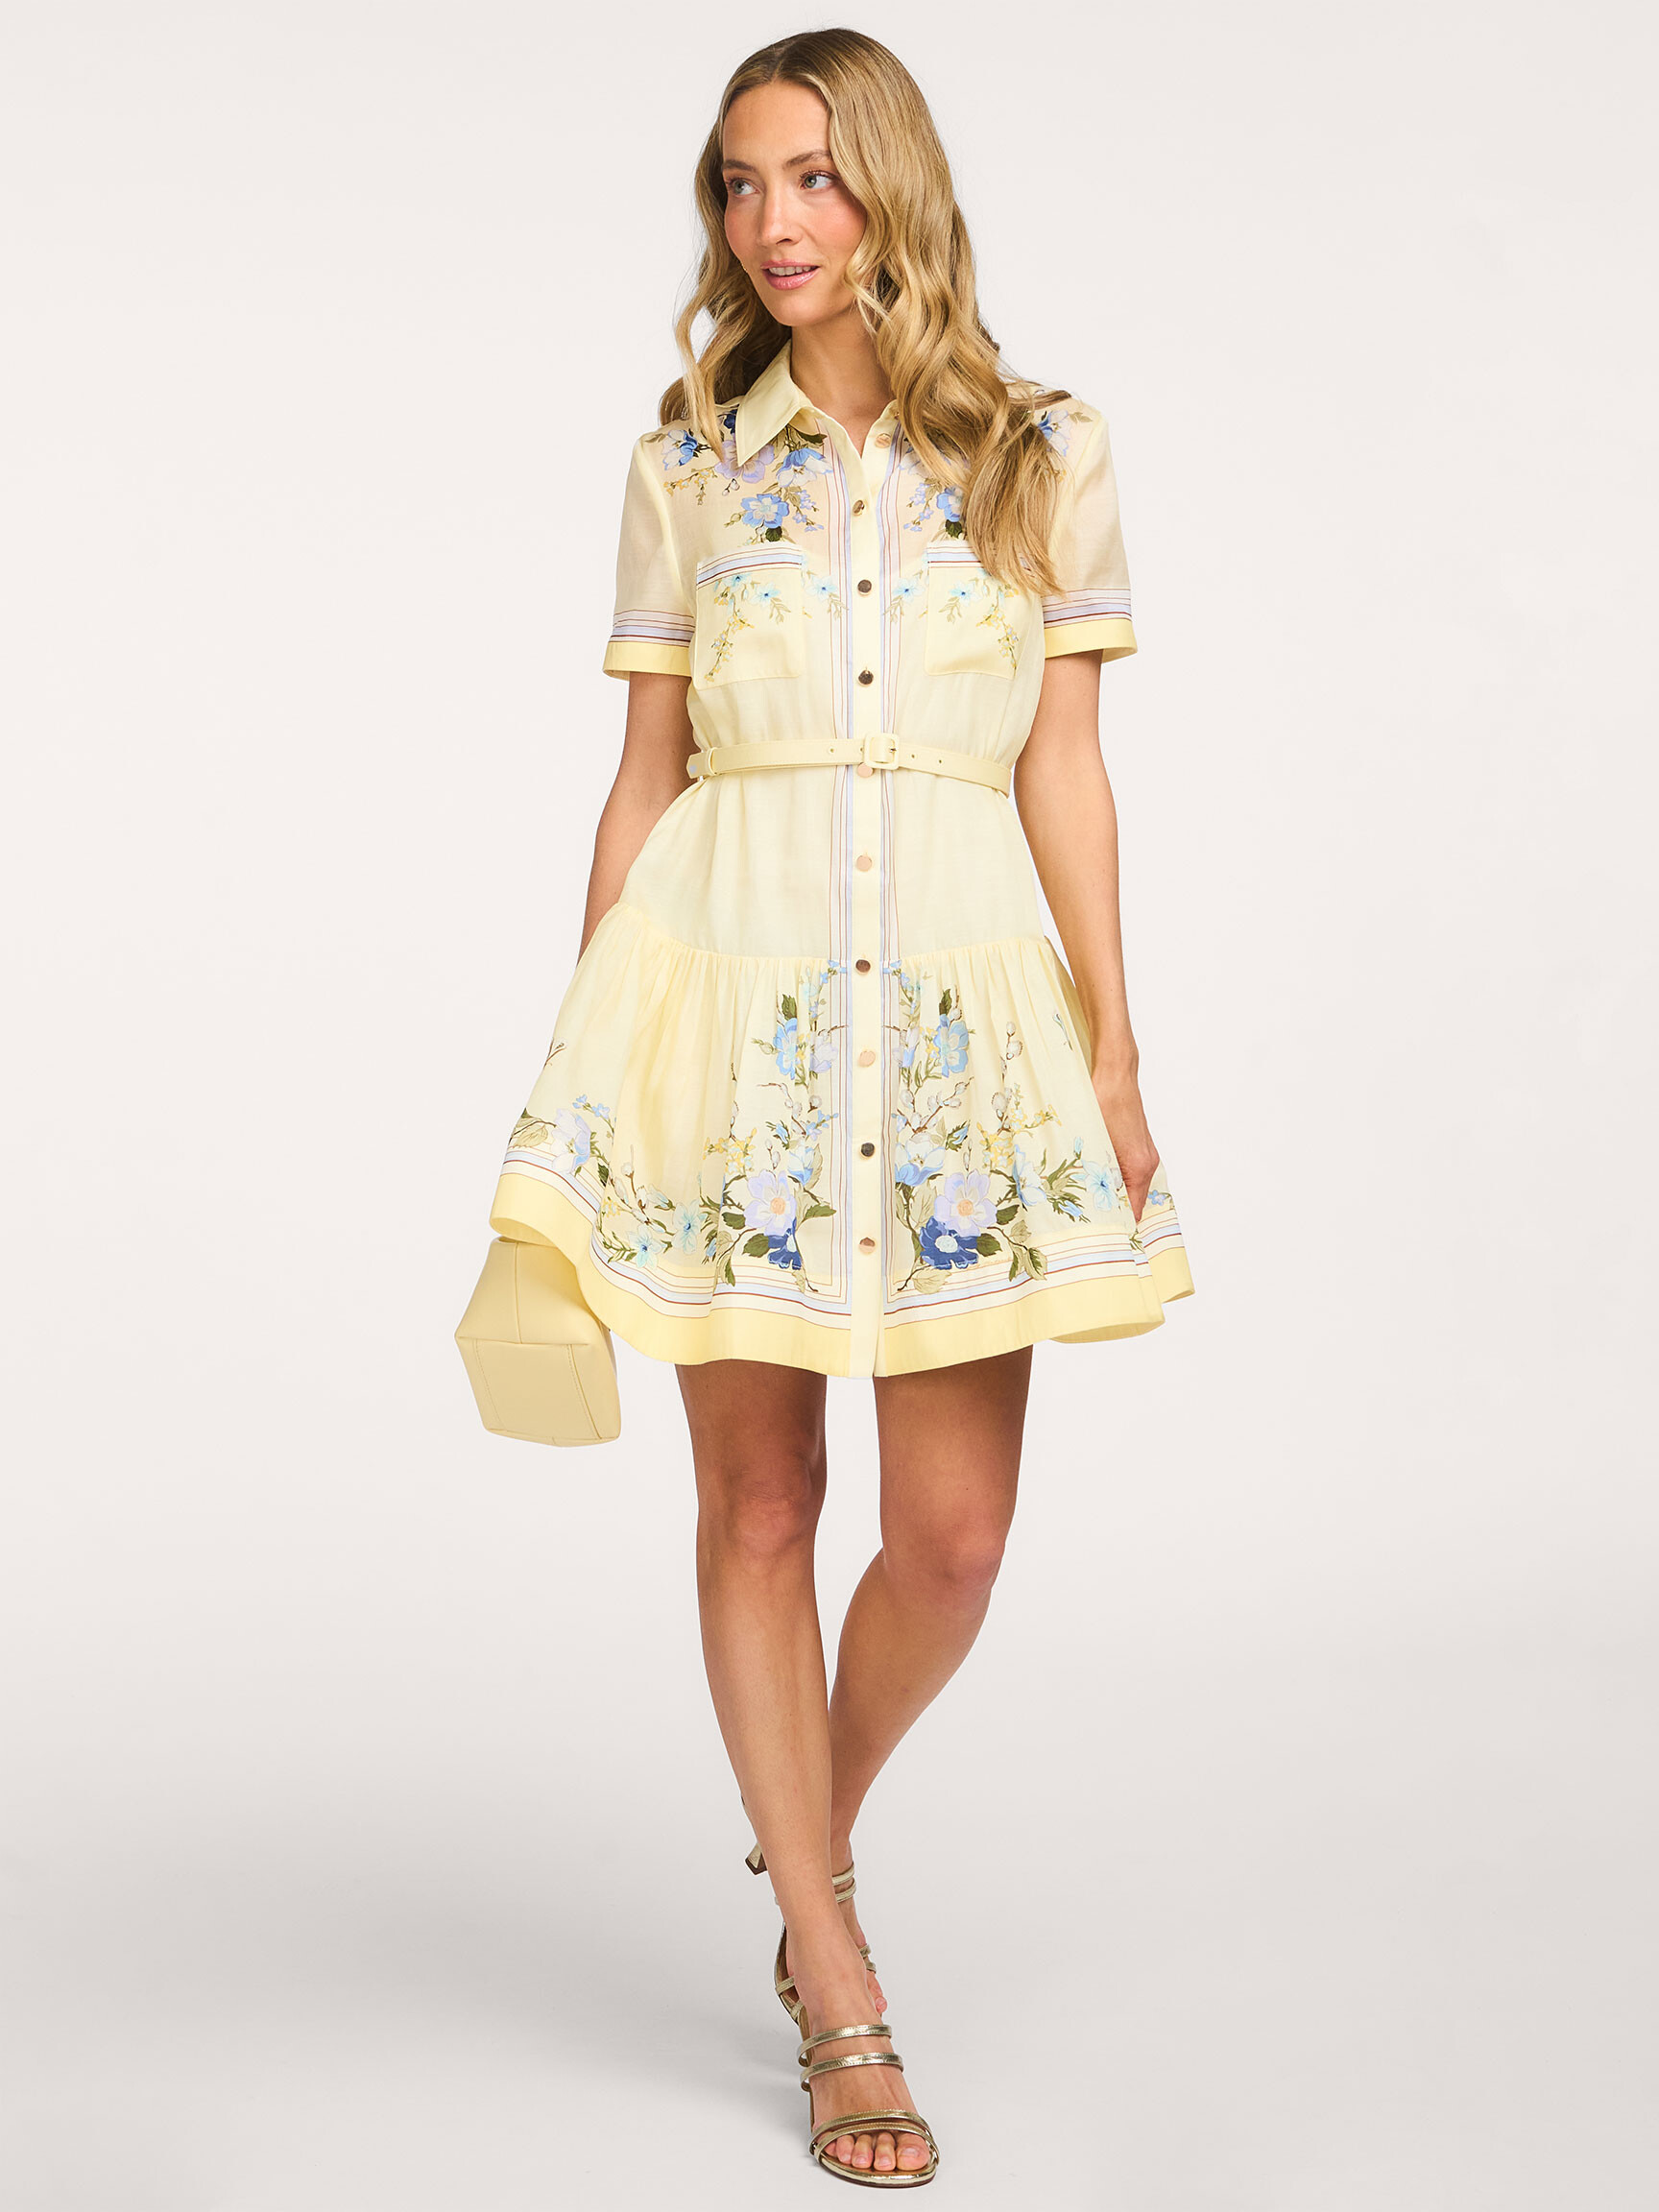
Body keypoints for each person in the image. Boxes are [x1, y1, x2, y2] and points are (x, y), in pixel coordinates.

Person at [485, 27, 1193, 2187]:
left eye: (809, 175)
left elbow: (1066, 765)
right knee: (763, 1509)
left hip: (965, 1026)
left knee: (954, 1540)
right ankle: (837, 1975)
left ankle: (810, 1834)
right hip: (730, 1008)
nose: (771, 222)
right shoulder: (691, 461)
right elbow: (643, 784)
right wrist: (587, 1058)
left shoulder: (1044, 450)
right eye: (737, 183)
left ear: (893, 183)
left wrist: (1115, 1044)